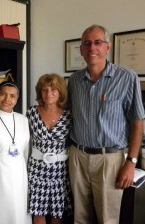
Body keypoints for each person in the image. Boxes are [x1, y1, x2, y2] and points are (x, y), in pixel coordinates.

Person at [67, 24, 145, 224]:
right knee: (79, 216)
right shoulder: (74, 81)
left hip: (109, 159)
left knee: (107, 218)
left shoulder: (127, 78)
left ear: (107, 47)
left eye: (97, 42)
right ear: (82, 50)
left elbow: (137, 122)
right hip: (78, 157)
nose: (92, 47)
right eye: (87, 44)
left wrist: (131, 162)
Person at [0, 81, 32, 224]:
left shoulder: (23, 120)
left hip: (20, 177)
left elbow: (26, 153)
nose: (7, 99)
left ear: (17, 99)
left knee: (19, 213)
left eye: (12, 96)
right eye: (3, 94)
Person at [27, 74, 72, 224]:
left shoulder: (69, 115)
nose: (48, 94)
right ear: (40, 92)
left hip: (59, 170)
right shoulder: (31, 113)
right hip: (36, 169)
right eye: (44, 90)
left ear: (60, 92)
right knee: (38, 212)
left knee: (57, 214)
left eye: (53, 90)